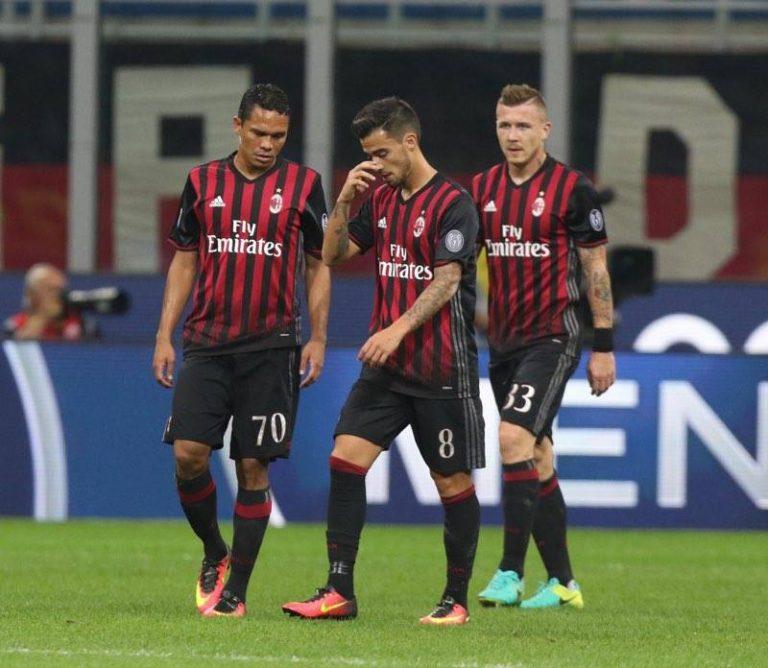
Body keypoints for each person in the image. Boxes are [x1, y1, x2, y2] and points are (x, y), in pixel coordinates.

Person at [281, 97, 484, 626]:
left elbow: (448, 280)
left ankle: (455, 599)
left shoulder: (454, 204)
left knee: (451, 483)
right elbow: (331, 255)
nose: (375, 164)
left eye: (382, 153)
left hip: (442, 369)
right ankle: (338, 591)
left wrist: (396, 329)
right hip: (386, 371)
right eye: (368, 155)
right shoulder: (382, 199)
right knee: (345, 460)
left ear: (410, 142)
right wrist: (345, 202)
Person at [153, 83, 331, 618]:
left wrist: (318, 336)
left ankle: (237, 592)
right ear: (237, 127)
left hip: (272, 349)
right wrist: (164, 334)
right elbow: (185, 259)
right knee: (188, 454)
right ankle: (215, 552)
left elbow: (318, 264)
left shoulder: (304, 185)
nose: (268, 144)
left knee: (254, 466)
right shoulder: (201, 181)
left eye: (278, 135)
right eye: (258, 133)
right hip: (207, 344)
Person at [472, 84, 616, 610]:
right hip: (504, 341)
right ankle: (563, 584)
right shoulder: (482, 188)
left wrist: (603, 346)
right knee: (537, 456)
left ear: (545, 130)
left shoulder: (573, 189)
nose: (513, 135)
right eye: (504, 125)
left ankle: (510, 572)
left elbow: (595, 268)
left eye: (523, 126)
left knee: (512, 437)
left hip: (554, 336)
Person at [4, 263, 89, 341]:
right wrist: (41, 318)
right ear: (31, 294)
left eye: (61, 290)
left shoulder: (80, 324)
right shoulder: (15, 325)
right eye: (51, 290)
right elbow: (16, 350)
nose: (58, 296)